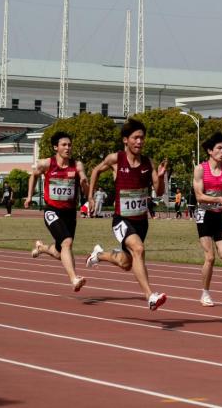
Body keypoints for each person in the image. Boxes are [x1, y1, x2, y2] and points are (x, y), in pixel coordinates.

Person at [85, 118, 168, 311]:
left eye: (142, 138)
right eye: (135, 138)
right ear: (125, 140)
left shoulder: (148, 162)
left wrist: (161, 177)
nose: (139, 141)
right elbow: (96, 171)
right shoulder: (116, 159)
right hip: (121, 219)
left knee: (126, 263)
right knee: (139, 249)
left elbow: (159, 191)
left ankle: (99, 254)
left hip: (141, 221)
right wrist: (90, 196)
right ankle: (150, 296)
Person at [26, 131, 89, 292]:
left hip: (70, 213)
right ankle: (74, 279)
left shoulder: (77, 165)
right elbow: (33, 175)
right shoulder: (46, 163)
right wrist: (29, 196)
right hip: (52, 211)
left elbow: (85, 185)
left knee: (60, 252)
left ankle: (42, 248)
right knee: (67, 242)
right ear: (56, 147)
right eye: (64, 145)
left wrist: (84, 182)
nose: (68, 148)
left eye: (69, 145)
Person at [192, 132, 222, 307]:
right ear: (210, 151)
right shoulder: (200, 169)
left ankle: (221, 242)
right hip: (204, 214)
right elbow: (199, 196)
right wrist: (218, 199)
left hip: (220, 216)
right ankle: (205, 293)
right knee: (210, 258)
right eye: (219, 148)